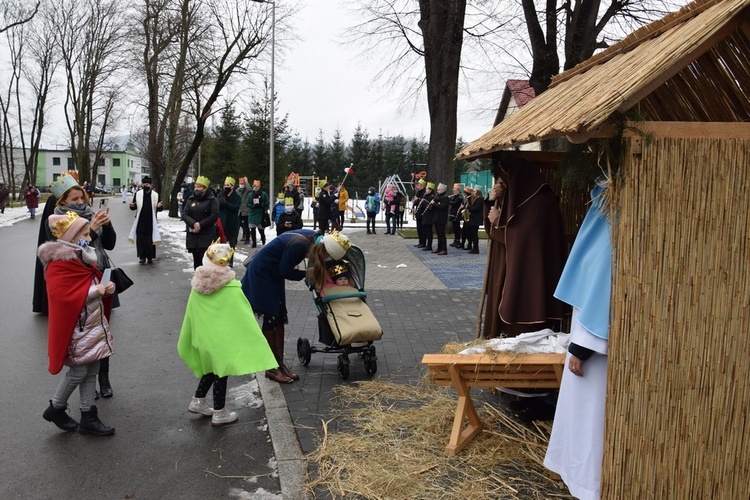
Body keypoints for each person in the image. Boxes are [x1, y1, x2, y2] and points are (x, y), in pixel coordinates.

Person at [544, 180, 612, 500]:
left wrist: (582, 347)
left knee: (590, 421)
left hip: (595, 348)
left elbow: (601, 282)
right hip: (594, 340)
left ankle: (589, 487)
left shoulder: (609, 221)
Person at [178, 242, 278, 426]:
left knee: (210, 368)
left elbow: (191, 313)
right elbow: (243, 313)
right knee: (221, 372)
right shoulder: (231, 288)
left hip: (203, 337)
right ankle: (219, 412)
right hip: (221, 340)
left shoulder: (197, 285)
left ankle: (198, 400)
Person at [38, 211, 116, 436]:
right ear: (71, 237)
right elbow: (63, 296)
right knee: (78, 371)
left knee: (92, 368)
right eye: (83, 233)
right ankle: (56, 407)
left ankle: (88, 416)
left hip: (89, 322)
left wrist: (104, 287)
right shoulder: (59, 263)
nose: (89, 236)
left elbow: (86, 283)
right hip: (76, 327)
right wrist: (95, 291)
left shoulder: (82, 254)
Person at [241, 230, 351, 384]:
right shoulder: (300, 245)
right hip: (262, 277)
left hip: (272, 276)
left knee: (279, 317)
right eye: (328, 257)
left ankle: (279, 364)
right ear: (325, 250)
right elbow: (284, 271)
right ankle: (271, 368)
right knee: (270, 319)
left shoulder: (312, 237)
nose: (326, 259)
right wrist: (307, 273)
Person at [481, 153, 567, 339]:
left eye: (505, 180)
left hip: (528, 272)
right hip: (506, 266)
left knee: (523, 333)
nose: (502, 185)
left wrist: (498, 222)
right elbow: (499, 232)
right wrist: (491, 199)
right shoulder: (518, 200)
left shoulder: (541, 201)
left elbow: (524, 238)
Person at [181, 175, 219, 269]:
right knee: (196, 260)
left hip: (206, 234)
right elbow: (185, 214)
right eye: (195, 186)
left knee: (205, 260)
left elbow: (214, 215)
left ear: (205, 188)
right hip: (193, 234)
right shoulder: (191, 199)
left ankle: (206, 281)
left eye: (199, 187)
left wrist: (200, 224)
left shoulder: (212, 200)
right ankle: (198, 280)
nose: (196, 188)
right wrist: (193, 223)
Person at [128, 176, 163, 264]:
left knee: (150, 240)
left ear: (151, 185)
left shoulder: (155, 195)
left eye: (147, 184)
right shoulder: (138, 194)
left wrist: (160, 207)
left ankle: (150, 257)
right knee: (141, 240)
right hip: (140, 220)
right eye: (144, 184)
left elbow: (160, 207)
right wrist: (132, 206)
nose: (145, 185)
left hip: (150, 221)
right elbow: (134, 205)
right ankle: (142, 257)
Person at [217, 176, 241, 266]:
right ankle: (223, 259)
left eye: (228, 185)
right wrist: (220, 202)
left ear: (232, 186)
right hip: (223, 222)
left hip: (232, 223)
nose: (226, 187)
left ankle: (231, 259)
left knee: (232, 243)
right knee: (223, 243)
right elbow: (216, 205)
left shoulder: (237, 197)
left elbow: (236, 208)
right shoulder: (221, 194)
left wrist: (226, 204)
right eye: (225, 185)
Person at [245, 179, 269, 248]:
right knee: (252, 230)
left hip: (260, 214)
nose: (256, 187)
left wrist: (261, 205)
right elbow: (247, 203)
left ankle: (263, 239)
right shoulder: (250, 195)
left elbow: (267, 202)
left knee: (261, 229)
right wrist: (253, 205)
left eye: (257, 186)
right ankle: (254, 242)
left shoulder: (263, 194)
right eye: (255, 186)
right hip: (252, 214)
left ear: (259, 187)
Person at [463, 186, 484, 254]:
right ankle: (472, 246)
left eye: (474, 191)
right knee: (472, 234)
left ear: (478, 192)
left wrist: (468, 207)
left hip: (476, 219)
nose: (473, 193)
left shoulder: (480, 199)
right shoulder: (475, 198)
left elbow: (476, 208)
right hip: (473, 219)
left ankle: (476, 248)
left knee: (474, 235)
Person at [431, 183, 450, 255]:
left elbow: (442, 207)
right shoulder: (438, 196)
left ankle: (444, 249)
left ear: (443, 190)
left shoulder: (445, 197)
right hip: (437, 218)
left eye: (439, 190)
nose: (437, 191)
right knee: (438, 234)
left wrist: (434, 204)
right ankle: (439, 248)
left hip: (442, 218)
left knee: (442, 235)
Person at [419, 182, 436, 251]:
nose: (425, 191)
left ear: (430, 190)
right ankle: (425, 244)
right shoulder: (426, 195)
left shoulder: (432, 196)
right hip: (425, 215)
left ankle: (429, 245)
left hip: (430, 216)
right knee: (425, 230)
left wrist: (423, 202)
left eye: (427, 189)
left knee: (429, 231)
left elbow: (430, 206)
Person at [412, 179, 427, 247]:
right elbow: (416, 202)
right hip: (418, 212)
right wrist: (414, 201)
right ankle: (420, 241)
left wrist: (417, 200)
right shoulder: (418, 192)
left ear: (423, 186)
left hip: (422, 213)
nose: (418, 186)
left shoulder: (424, 192)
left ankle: (423, 242)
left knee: (422, 229)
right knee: (419, 228)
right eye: (417, 185)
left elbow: (423, 202)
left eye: (419, 185)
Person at [237, 177, 251, 244]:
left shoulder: (246, 191)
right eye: (240, 183)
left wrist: (246, 182)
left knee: (246, 226)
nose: (241, 185)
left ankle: (247, 238)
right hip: (239, 211)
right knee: (237, 226)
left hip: (246, 211)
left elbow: (249, 189)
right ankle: (235, 239)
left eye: (242, 184)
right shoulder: (237, 191)